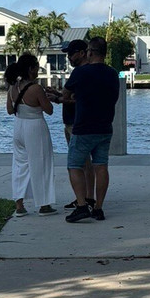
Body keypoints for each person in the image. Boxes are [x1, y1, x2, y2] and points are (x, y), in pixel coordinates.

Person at [60, 36, 119, 222]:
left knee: (74, 166)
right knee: (101, 166)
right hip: (105, 127)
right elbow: (114, 98)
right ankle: (98, 208)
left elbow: (65, 94)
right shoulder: (112, 73)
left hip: (83, 127)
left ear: (89, 52)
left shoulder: (81, 73)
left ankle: (82, 205)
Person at [6, 52, 56, 217]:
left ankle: (19, 205)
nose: (38, 71)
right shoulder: (36, 88)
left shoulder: (13, 87)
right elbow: (49, 110)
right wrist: (48, 97)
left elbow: (9, 110)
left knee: (20, 165)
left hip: (19, 126)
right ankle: (44, 204)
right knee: (41, 164)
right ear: (30, 69)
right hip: (35, 126)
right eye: (36, 68)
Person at [46, 39, 95, 209]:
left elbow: (81, 100)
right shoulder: (83, 72)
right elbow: (74, 97)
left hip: (77, 124)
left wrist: (59, 99)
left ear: (82, 53)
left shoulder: (81, 73)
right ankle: (85, 197)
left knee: (81, 163)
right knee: (83, 163)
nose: (69, 58)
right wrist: (59, 94)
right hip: (71, 122)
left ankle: (86, 199)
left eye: (71, 54)